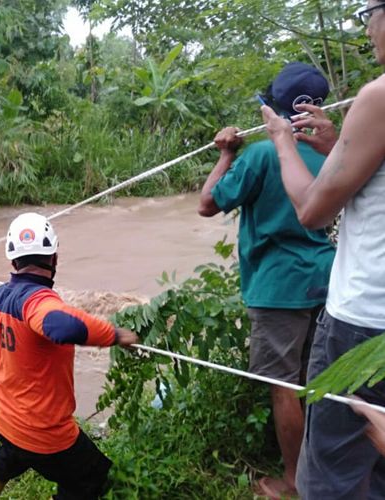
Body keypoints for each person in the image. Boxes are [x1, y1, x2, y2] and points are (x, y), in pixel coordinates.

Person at [261, 2, 385, 496]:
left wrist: (281, 141)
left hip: (363, 320)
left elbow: (313, 211)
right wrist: (340, 145)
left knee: (331, 478)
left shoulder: (378, 98)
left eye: (369, 13)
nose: (369, 28)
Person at [197, 63, 336, 498]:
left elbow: (206, 204)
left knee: (285, 387)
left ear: (272, 111)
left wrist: (226, 154)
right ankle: (330, 471)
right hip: (331, 281)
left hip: (279, 289)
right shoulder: (338, 153)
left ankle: (295, 481)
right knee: (327, 382)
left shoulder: (260, 155)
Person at [0, 212, 139, 500]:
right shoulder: (40, 302)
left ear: (12, 261)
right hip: (43, 433)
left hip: (3, 419)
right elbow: (61, 325)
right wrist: (116, 335)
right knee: (91, 477)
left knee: (8, 457)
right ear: (55, 259)